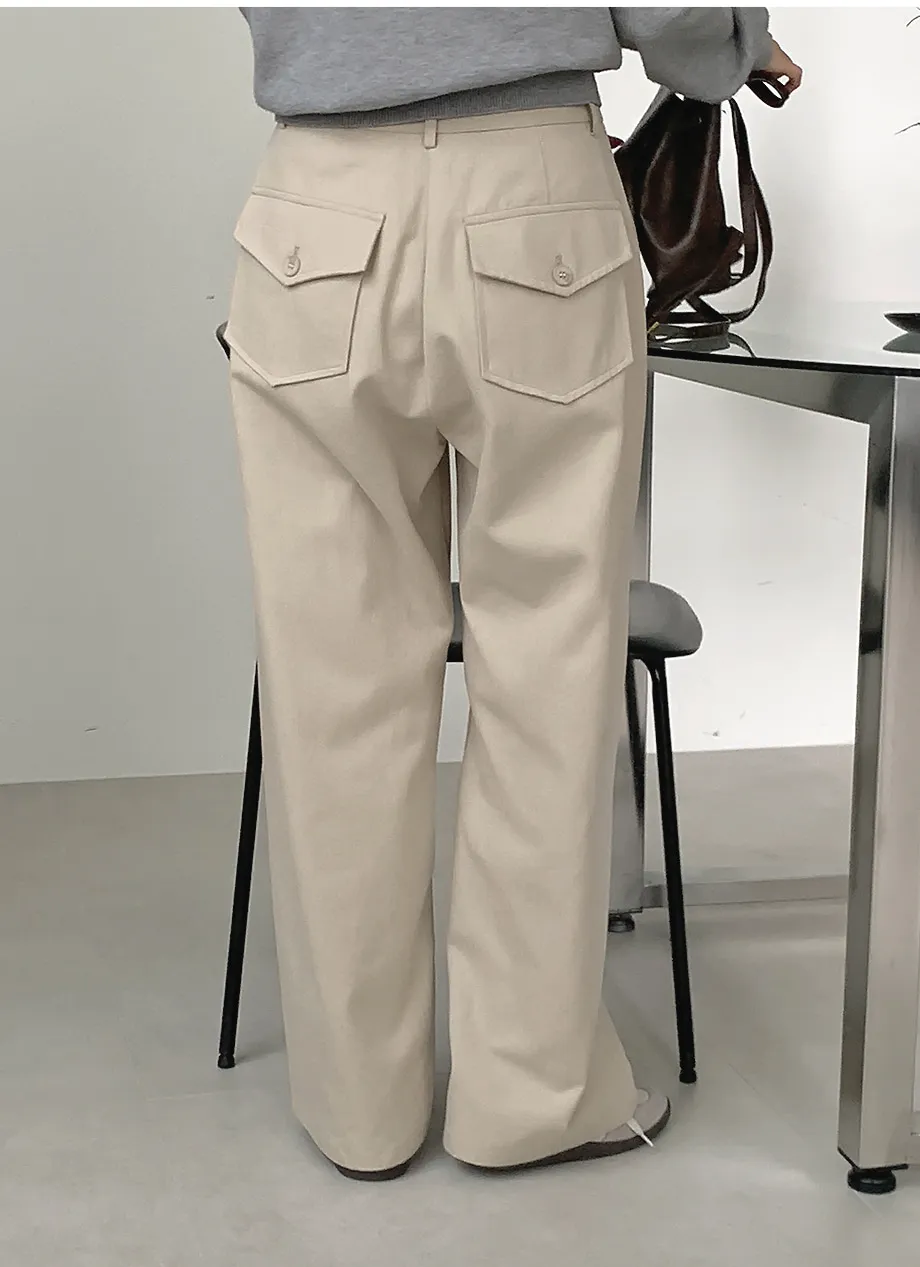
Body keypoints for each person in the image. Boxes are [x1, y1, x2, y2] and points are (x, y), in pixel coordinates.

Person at [227, 7, 802, 1181]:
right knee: (547, 671)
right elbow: (677, 20)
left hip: (311, 208)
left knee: (331, 686)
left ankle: (357, 1108)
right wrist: (740, 41)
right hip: (531, 201)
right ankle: (527, 1098)